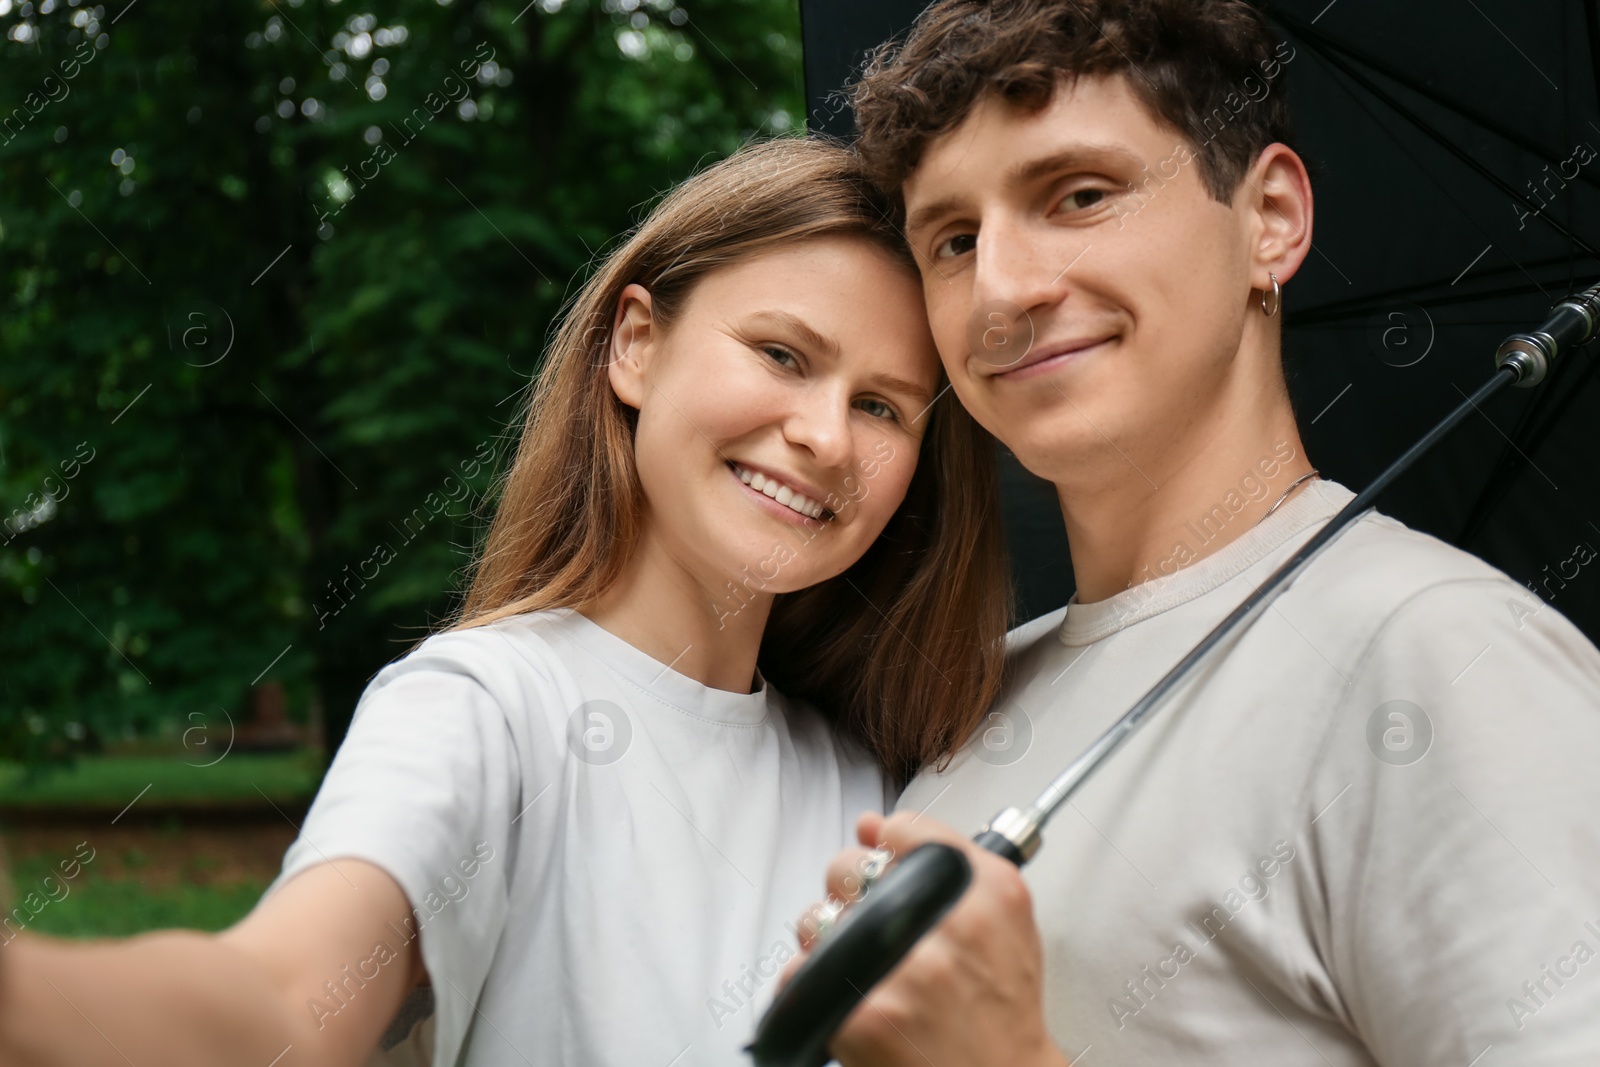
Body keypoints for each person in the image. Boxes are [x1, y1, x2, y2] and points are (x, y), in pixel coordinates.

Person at [0, 136, 1014, 1067]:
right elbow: (281, 1002)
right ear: (636, 346)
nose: (827, 438)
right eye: (783, 355)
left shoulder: (879, 778)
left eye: (881, 406)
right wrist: (27, 990)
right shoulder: (481, 704)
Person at [788, 1, 1600, 1064]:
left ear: (1268, 215)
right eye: (951, 239)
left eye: (1078, 195)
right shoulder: (965, 700)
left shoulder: (1447, 660)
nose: (999, 293)